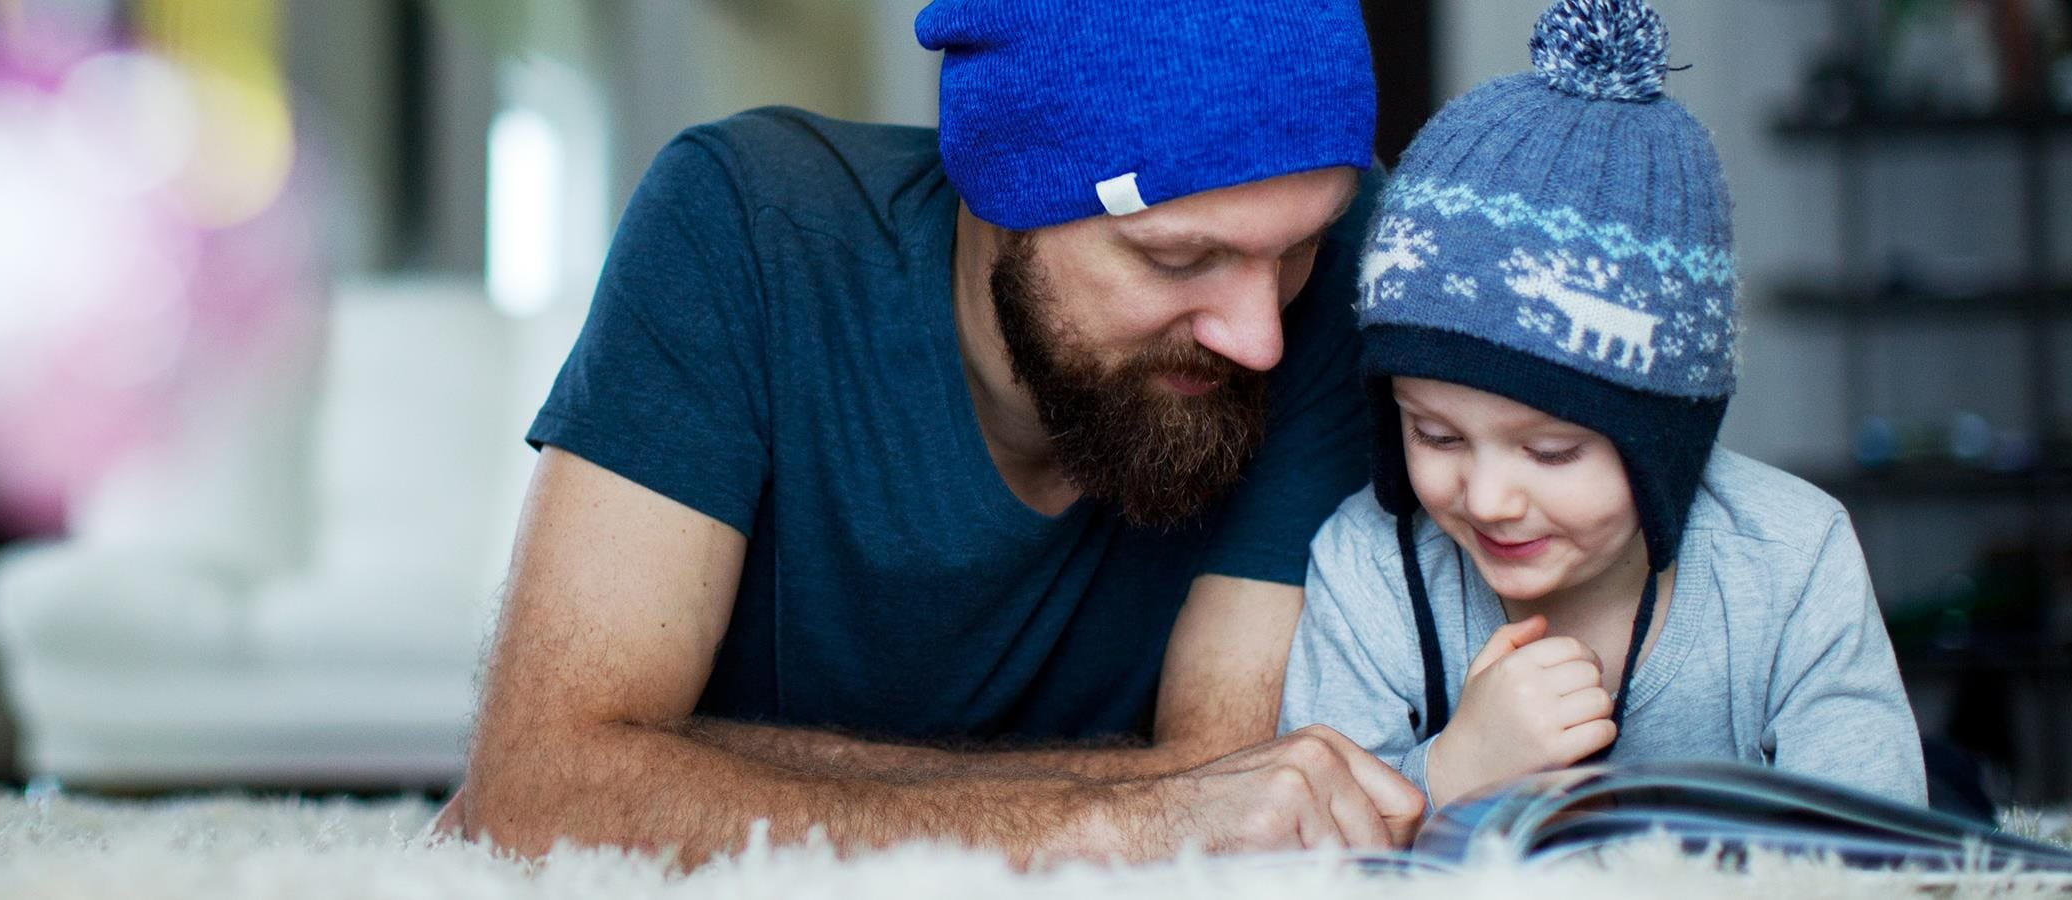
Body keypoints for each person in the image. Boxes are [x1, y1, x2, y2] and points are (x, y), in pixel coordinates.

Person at [439, 0, 1427, 866]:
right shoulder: (744, 230)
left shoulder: (1338, 283)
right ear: (1000, 197)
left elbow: (1240, 786)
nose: (1257, 339)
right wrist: (1122, 818)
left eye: (1295, 249)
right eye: (1177, 260)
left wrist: (679, 770)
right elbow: (543, 790)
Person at [1276, 0, 1926, 807]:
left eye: (1551, 451)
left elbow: (1879, 832)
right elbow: (1315, 838)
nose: (1488, 498)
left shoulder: (1791, 557)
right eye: (1435, 435)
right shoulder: (1370, 568)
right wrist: (1456, 769)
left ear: (1664, 442)